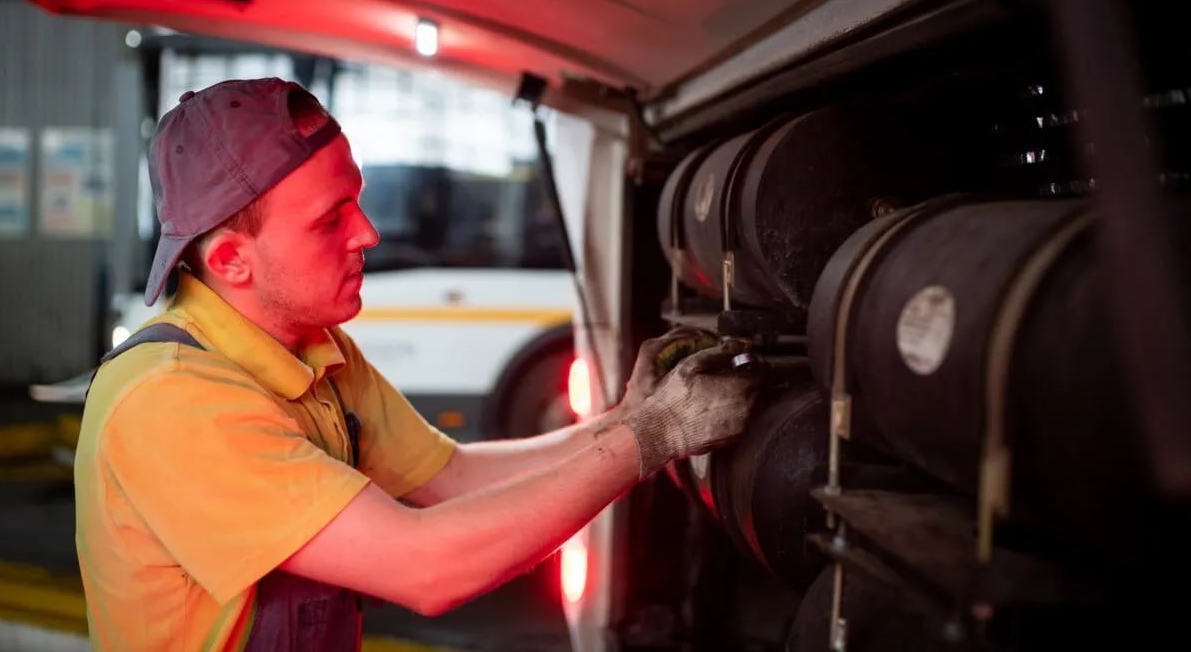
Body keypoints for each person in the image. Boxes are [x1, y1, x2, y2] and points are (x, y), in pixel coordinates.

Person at [73, 78, 762, 652]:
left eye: (358, 200)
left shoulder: (316, 350)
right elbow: (425, 566)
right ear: (229, 260)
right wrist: (652, 440)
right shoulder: (171, 401)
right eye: (330, 219)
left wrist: (625, 419)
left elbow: (456, 478)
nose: (367, 233)